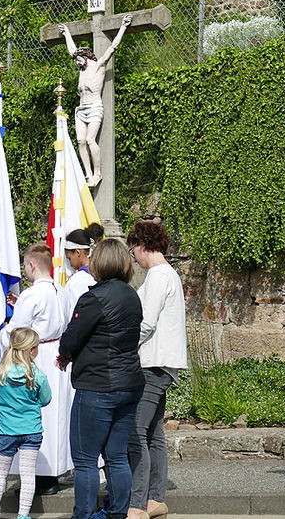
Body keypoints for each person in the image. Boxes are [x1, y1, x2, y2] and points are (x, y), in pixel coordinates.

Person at [57, 239, 144, 519]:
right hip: (129, 382)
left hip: (97, 384)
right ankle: (118, 513)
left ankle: (82, 515)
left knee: (85, 460)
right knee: (117, 456)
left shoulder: (93, 298)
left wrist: (65, 355)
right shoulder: (132, 296)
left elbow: (71, 337)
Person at [126, 222, 188, 519]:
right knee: (153, 433)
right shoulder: (166, 275)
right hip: (161, 363)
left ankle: (137, 504)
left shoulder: (159, 275)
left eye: (133, 249)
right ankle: (155, 499)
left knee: (135, 432)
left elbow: (146, 322)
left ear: (142, 245)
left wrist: (122, 347)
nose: (133, 256)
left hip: (152, 363)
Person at [1, 243, 73, 496]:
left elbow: (18, 332)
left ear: (31, 264)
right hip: (58, 355)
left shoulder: (32, 295)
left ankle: (40, 475)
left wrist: (1, 331)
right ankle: (56, 470)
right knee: (58, 415)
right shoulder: (61, 291)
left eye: (25, 266)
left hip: (36, 356)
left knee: (36, 416)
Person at [0, 327, 51, 519]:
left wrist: (4, 410)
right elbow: (46, 399)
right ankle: (23, 515)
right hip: (31, 429)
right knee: (28, 475)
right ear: (31, 350)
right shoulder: (38, 375)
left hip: (7, 431)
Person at [58, 14, 132, 187]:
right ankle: (88, 173)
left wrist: (123, 26)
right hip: (81, 109)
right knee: (81, 141)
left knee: (91, 140)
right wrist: (67, 33)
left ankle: (97, 173)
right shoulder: (81, 70)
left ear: (86, 56)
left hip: (94, 107)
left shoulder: (98, 66)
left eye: (78, 59)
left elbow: (113, 47)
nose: (76, 62)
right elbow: (71, 51)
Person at [62, 224, 104, 323]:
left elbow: (71, 314)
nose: (70, 264)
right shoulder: (103, 274)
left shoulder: (77, 281)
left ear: (78, 252)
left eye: (69, 258)